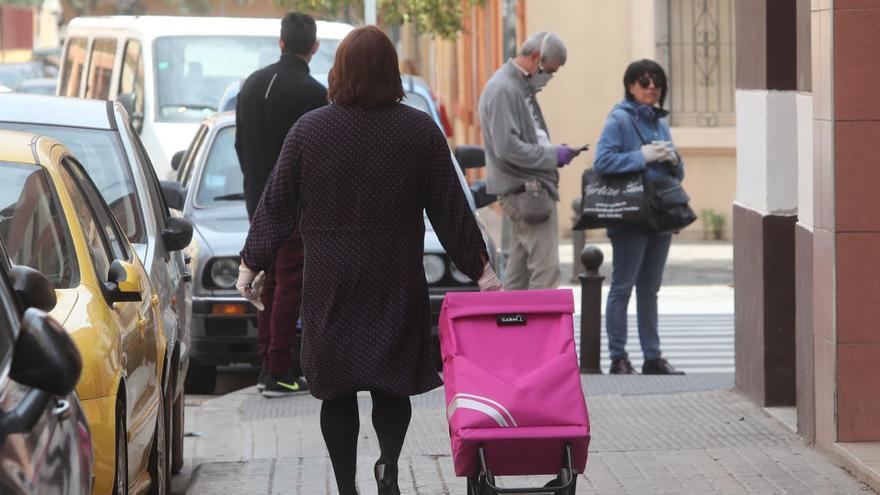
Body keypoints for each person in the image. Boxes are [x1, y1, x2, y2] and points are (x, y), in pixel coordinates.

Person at [236, 26, 501, 495]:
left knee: (336, 389)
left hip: (330, 281)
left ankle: (345, 486)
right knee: (391, 382)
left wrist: (252, 264)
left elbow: (275, 202)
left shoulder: (309, 131)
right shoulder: (417, 129)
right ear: (390, 71)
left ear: (338, 72)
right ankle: (389, 467)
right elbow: (449, 207)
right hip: (394, 276)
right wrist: (480, 268)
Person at [234, 12, 328, 397]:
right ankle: (278, 370)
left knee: (263, 279)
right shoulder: (312, 93)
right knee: (289, 282)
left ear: (281, 42)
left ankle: (265, 365)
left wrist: (255, 186)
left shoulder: (252, 85)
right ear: (315, 48)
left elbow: (240, 144)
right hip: (293, 205)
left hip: (257, 198)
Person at [593, 59, 684, 375]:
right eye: (644, 82)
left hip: (661, 214)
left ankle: (652, 356)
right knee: (623, 286)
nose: (651, 88)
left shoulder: (660, 122)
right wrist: (641, 157)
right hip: (630, 215)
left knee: (650, 288)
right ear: (630, 86)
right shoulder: (619, 119)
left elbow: (679, 173)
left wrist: (672, 158)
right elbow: (602, 160)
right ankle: (619, 357)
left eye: (657, 82)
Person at [479, 31, 577, 291]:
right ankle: (543, 332)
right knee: (545, 274)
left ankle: (508, 329)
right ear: (535, 58)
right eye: (548, 71)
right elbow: (508, 148)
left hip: (525, 191)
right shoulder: (504, 89)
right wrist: (551, 156)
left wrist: (552, 150)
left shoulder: (519, 88)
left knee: (518, 277)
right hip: (524, 192)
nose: (548, 78)